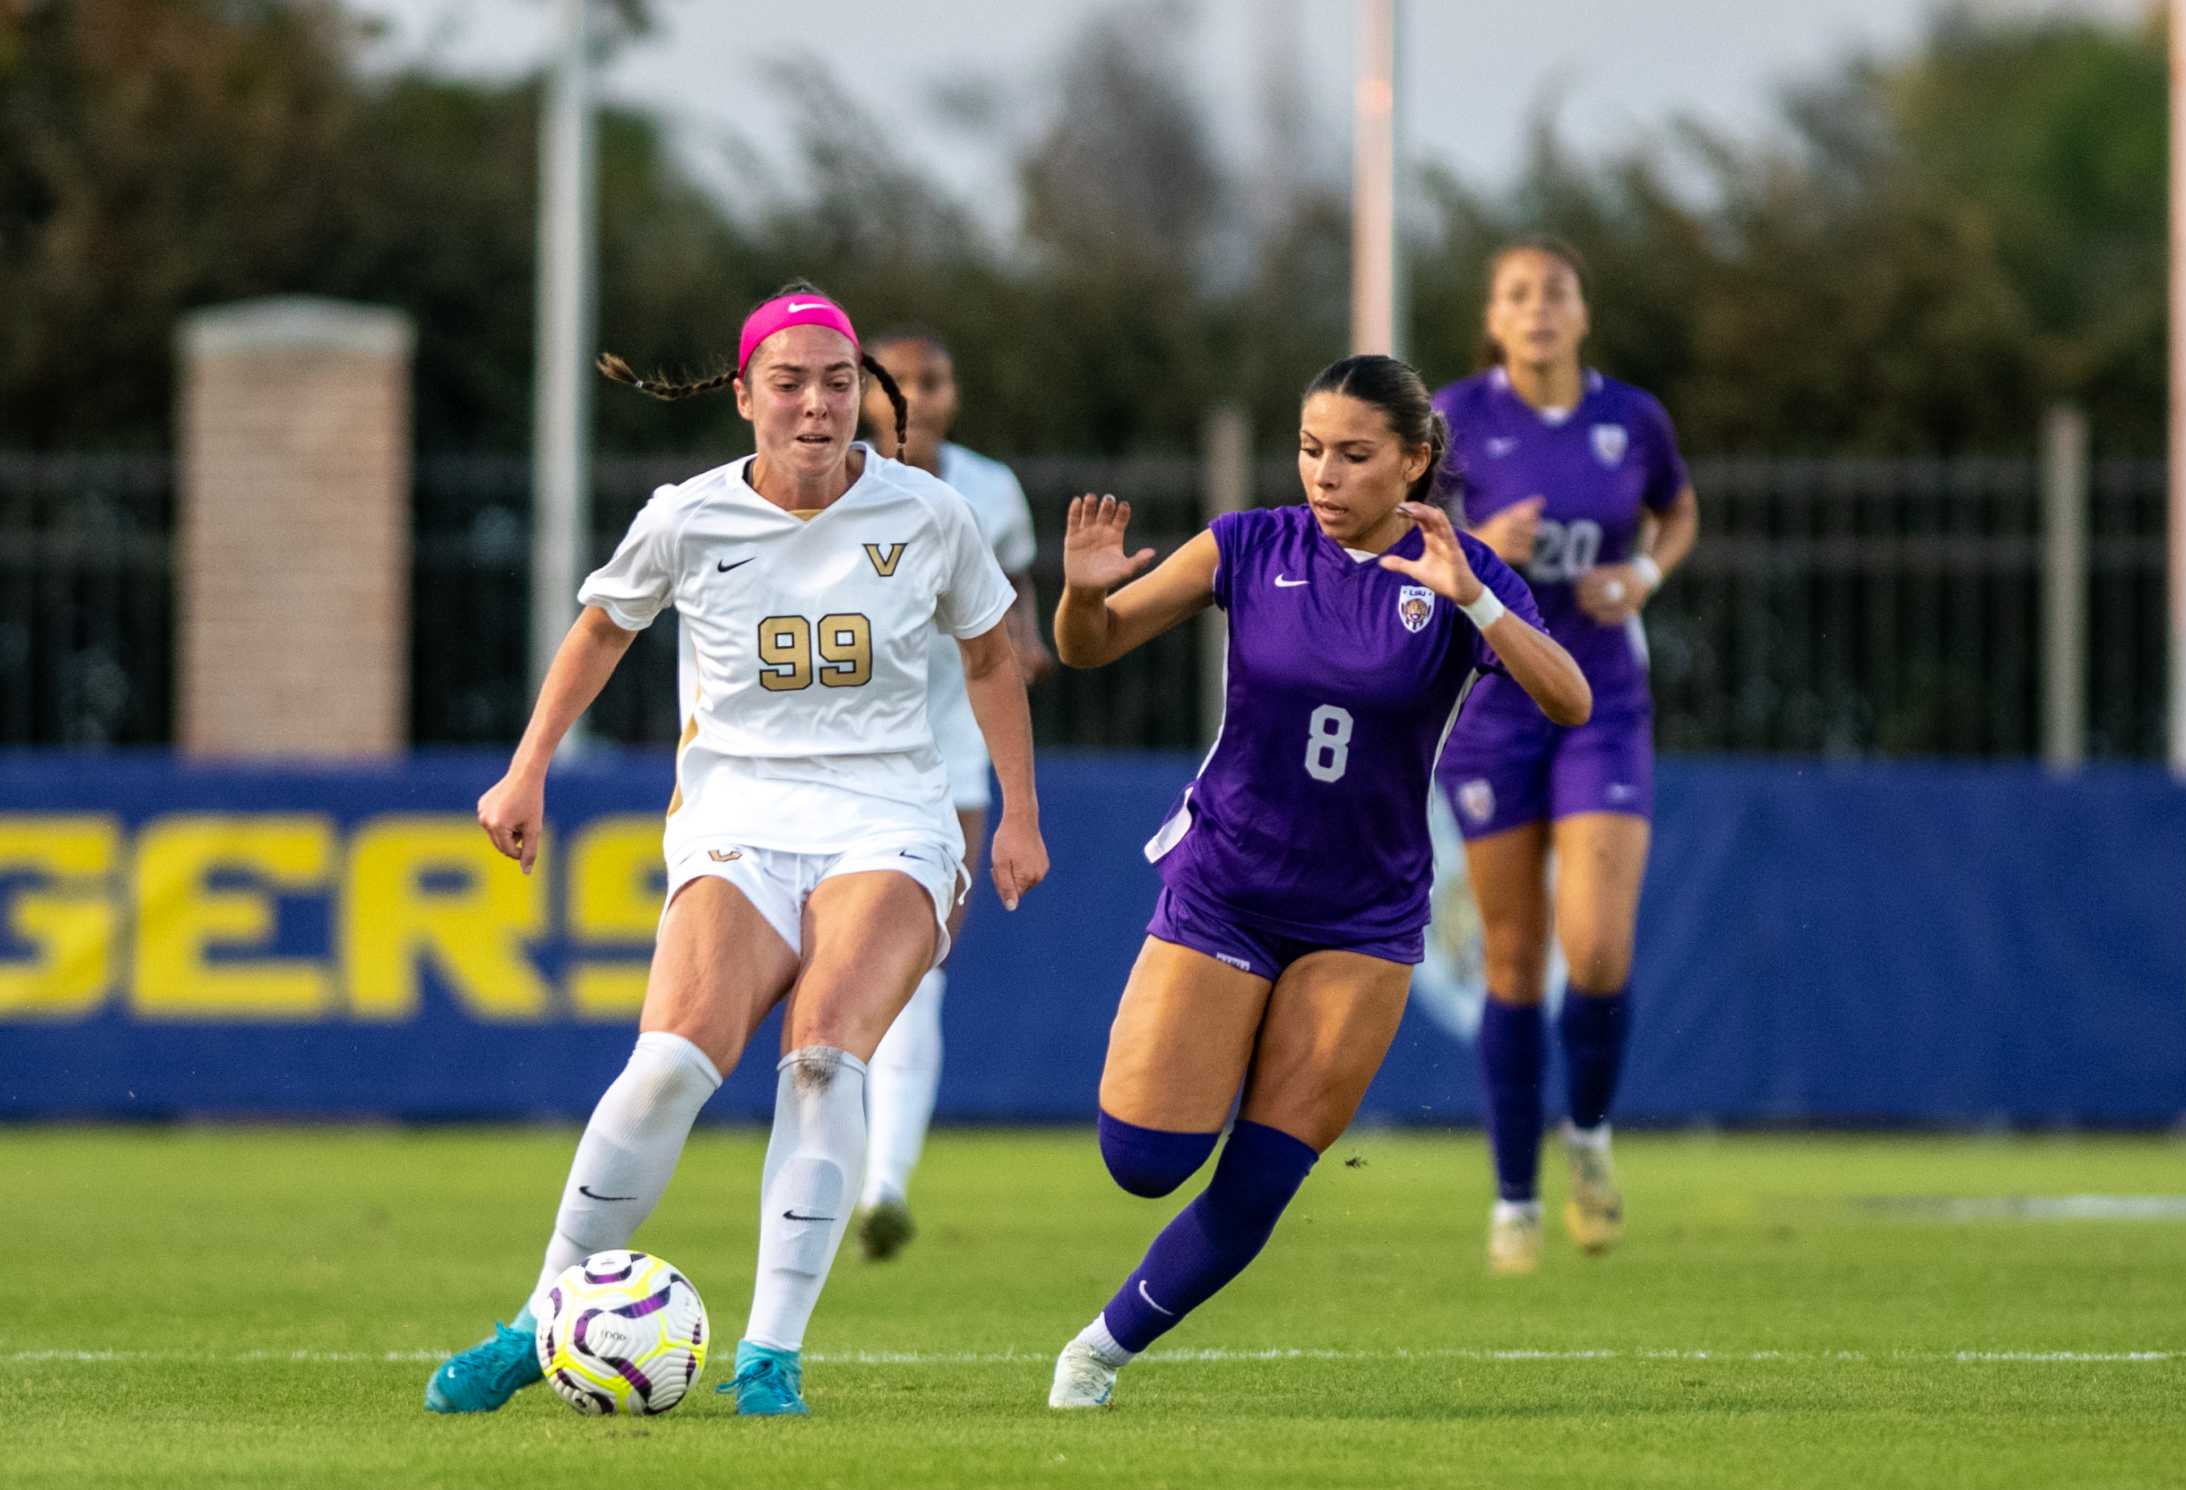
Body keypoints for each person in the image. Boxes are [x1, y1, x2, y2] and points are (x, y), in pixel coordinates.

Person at [421, 285, 1047, 1418]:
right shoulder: (687, 516)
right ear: (745, 396)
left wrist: (1016, 811)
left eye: (839, 381)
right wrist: (524, 768)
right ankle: (536, 1321)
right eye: (792, 381)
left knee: (820, 1057)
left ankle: (769, 1358)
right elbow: (602, 627)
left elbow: (993, 656)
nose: (817, 404)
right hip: (736, 821)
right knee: (666, 1063)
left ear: (865, 394)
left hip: (890, 818)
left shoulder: (930, 514)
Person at [1043, 355, 1591, 1409]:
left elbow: (1566, 698)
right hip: (1229, 883)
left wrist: (1475, 600)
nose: (1323, 475)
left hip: (1364, 913)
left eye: (1353, 454)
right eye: (1308, 450)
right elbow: (1091, 645)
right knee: (1146, 1157)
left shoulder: (1458, 568)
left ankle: (1094, 1355)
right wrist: (1080, 588)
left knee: (1260, 1177)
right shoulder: (1249, 544)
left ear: (1414, 462)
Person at [1430, 236, 1699, 1275]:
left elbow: (1677, 510)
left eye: (1555, 292)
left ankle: (1585, 1133)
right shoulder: (1454, 420)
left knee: (1593, 950)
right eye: (1516, 294)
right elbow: (1409, 542)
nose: (1537, 308)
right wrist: (1481, 535)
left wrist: (1643, 574)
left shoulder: (1630, 418)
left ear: (1583, 313)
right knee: (1509, 956)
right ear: (1493, 320)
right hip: (1494, 710)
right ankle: (1512, 1203)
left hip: (1604, 706)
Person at [851, 327, 1051, 1260]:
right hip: (842, 758)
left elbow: (1010, 601)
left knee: (919, 969)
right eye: (899, 382)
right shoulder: (822, 485)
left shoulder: (990, 489)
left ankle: (883, 1184)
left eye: (934, 378)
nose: (918, 397)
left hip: (953, 757)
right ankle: (850, 1172)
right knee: (841, 976)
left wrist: (1029, 644)